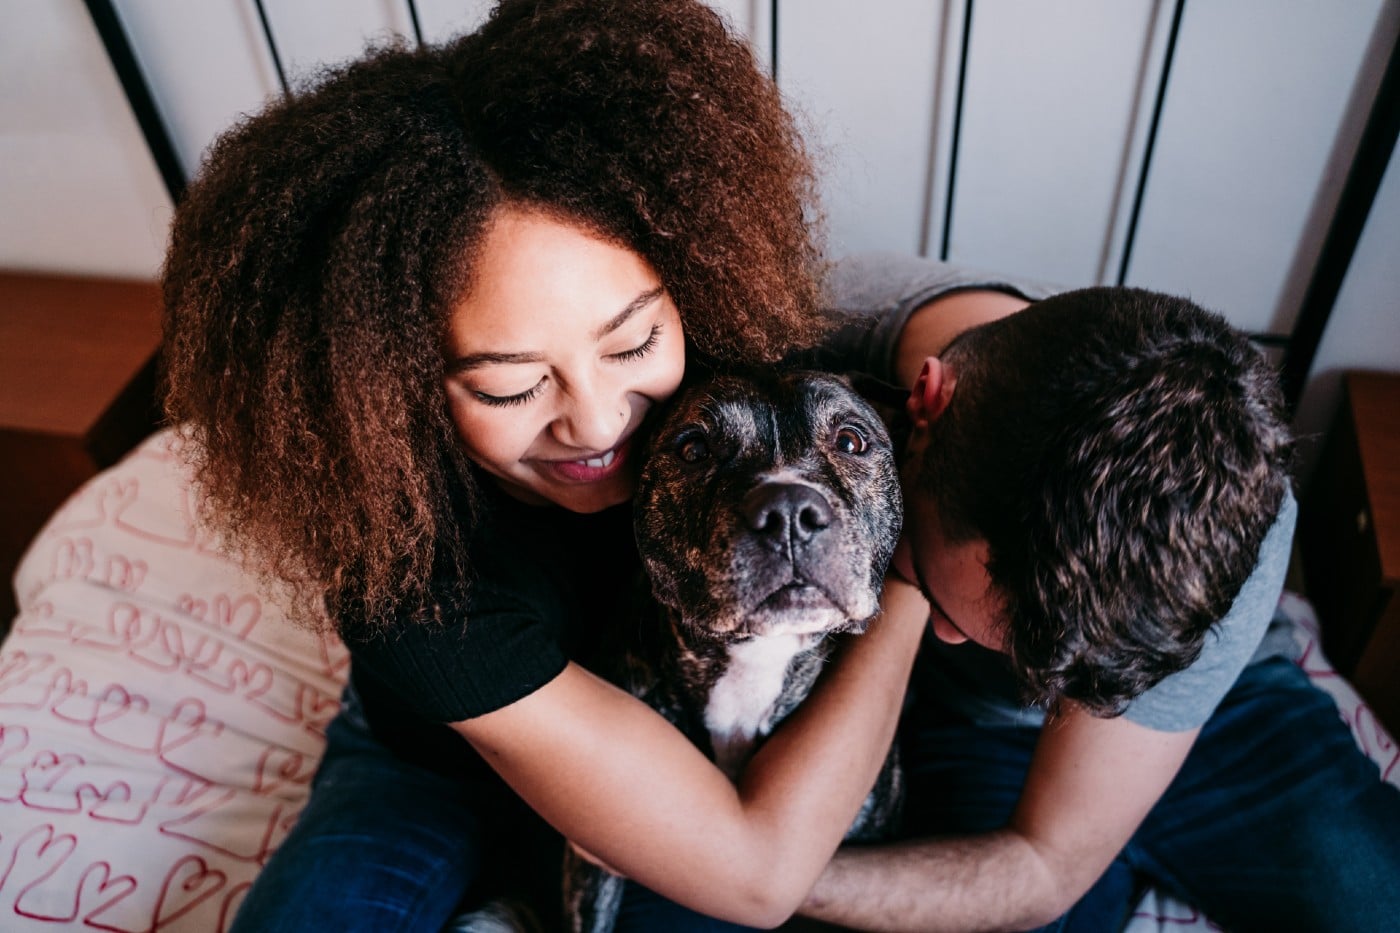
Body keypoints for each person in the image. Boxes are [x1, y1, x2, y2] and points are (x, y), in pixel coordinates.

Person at [159, 3, 927, 930]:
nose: (600, 420)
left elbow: (930, 323)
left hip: (678, 737)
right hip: (433, 760)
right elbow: (757, 876)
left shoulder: (735, 357)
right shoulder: (409, 579)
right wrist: (912, 580)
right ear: (391, 385)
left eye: (633, 340)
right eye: (512, 386)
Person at [798, 253, 1400, 931]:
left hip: (1226, 709)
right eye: (936, 595)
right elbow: (1038, 862)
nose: (945, 632)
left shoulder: (1237, 507)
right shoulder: (805, 319)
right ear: (927, 400)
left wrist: (777, 877)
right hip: (979, 727)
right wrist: (763, 869)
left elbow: (1052, 865)